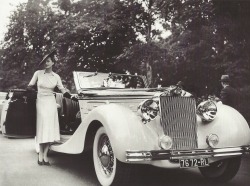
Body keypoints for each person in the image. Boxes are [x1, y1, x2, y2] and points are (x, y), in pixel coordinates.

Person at [27, 49, 77, 166]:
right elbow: (30, 86)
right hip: (40, 101)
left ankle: (45, 155)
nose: (46, 63)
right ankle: (40, 155)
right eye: (44, 62)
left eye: (48, 61)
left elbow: (63, 90)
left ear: (53, 62)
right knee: (42, 126)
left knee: (50, 127)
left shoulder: (56, 76)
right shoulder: (38, 73)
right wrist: (31, 91)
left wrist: (73, 98)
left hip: (51, 102)